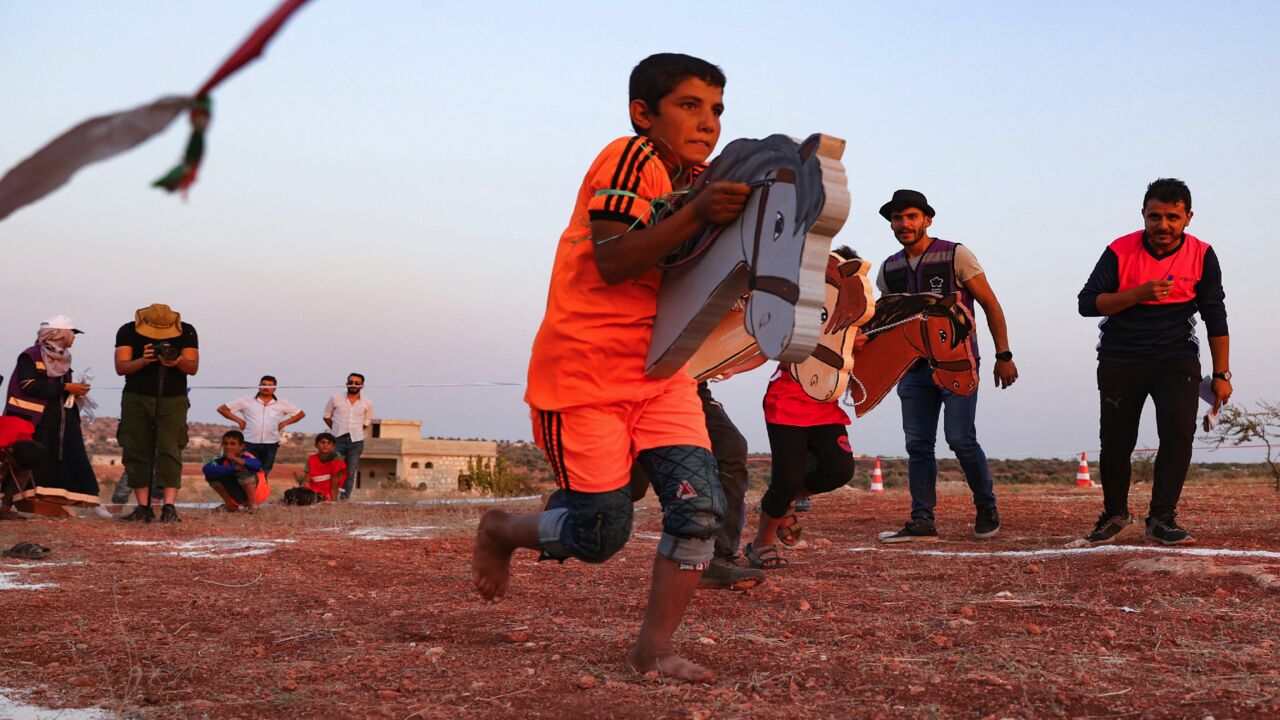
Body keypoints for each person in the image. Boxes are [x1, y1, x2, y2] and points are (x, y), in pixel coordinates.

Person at [471, 53, 750, 683]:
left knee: (699, 510)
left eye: (716, 110)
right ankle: (501, 529)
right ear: (643, 113)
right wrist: (700, 213)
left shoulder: (701, 180)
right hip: (584, 376)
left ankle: (653, 650)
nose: (707, 122)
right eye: (689, 106)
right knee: (599, 534)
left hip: (661, 372)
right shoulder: (631, 157)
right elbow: (615, 260)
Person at [1077, 178, 1230, 545]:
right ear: (1143, 215)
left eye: (1173, 217)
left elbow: (1215, 314)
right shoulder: (1119, 250)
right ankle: (1115, 515)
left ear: (1188, 218)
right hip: (1120, 358)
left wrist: (1222, 373)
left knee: (1178, 434)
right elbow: (1086, 303)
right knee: (1116, 441)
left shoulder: (1202, 254)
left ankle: (1162, 517)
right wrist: (1137, 294)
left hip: (1176, 358)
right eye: (1155, 216)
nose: (1163, 225)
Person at [875, 190, 1018, 543]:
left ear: (927, 219)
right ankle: (922, 519)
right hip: (914, 370)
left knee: (960, 438)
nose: (903, 224)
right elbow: (882, 322)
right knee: (918, 445)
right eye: (896, 218)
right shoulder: (889, 269)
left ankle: (986, 507)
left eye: (910, 216)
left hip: (957, 364)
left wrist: (1004, 355)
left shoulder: (955, 254)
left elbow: (990, 304)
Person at [745, 248, 861, 568]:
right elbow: (767, 346)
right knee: (787, 477)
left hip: (825, 405)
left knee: (839, 469)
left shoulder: (853, 318)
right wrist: (732, 367)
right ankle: (760, 544)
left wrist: (854, 344)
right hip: (786, 403)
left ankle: (783, 504)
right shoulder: (797, 309)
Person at [627, 380, 765, 590]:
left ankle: (715, 558)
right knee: (626, 489)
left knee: (729, 444)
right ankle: (563, 517)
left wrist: (729, 362)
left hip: (686, 385)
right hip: (624, 386)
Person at [3, 315, 99, 513]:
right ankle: (25, 500)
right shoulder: (31, 355)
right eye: (73, 333)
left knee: (68, 454)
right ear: (60, 334)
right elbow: (28, 385)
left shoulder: (63, 357)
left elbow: (59, 387)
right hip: (36, 419)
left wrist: (74, 390)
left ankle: (60, 498)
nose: (75, 337)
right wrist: (66, 386)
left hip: (62, 416)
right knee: (36, 457)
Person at [114, 303, 199, 523]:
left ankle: (169, 507)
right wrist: (143, 360)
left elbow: (192, 367)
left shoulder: (187, 331)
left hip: (173, 397)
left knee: (171, 449)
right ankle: (143, 507)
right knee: (136, 448)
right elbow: (121, 367)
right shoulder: (127, 330)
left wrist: (176, 360)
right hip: (136, 395)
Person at [216, 375, 304, 478]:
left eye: (270, 385)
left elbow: (300, 414)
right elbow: (222, 409)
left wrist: (284, 423)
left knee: (265, 471)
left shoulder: (282, 403)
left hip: (271, 443)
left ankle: (260, 492)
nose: (266, 388)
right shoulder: (246, 400)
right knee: (248, 471)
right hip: (250, 442)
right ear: (259, 386)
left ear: (275, 388)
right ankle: (248, 492)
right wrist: (239, 420)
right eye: (264, 385)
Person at [323, 372, 373, 500]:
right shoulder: (335, 398)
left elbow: (367, 422)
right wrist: (336, 429)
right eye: (351, 382)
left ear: (362, 386)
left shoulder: (367, 403)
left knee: (350, 472)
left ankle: (344, 498)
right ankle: (329, 496)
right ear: (347, 383)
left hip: (356, 441)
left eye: (357, 383)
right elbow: (327, 416)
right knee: (333, 469)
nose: (353, 385)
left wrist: (355, 430)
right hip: (337, 440)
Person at [202, 430, 269, 512]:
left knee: (243, 469)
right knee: (211, 474)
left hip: (258, 493)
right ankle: (230, 505)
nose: (228, 447)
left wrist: (234, 458)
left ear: (241, 446)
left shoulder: (246, 456)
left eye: (232, 444)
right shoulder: (222, 459)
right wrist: (232, 468)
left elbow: (256, 465)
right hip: (239, 493)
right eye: (225, 444)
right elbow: (206, 469)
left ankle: (252, 505)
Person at [290, 432, 346, 504]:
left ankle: (323, 500)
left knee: (305, 499)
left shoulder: (336, 459)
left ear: (333, 446)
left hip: (325, 492)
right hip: (313, 490)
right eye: (323, 442)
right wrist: (305, 484)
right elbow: (307, 478)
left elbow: (335, 482)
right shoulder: (311, 459)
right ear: (316, 445)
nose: (325, 445)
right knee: (289, 494)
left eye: (329, 443)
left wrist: (333, 501)